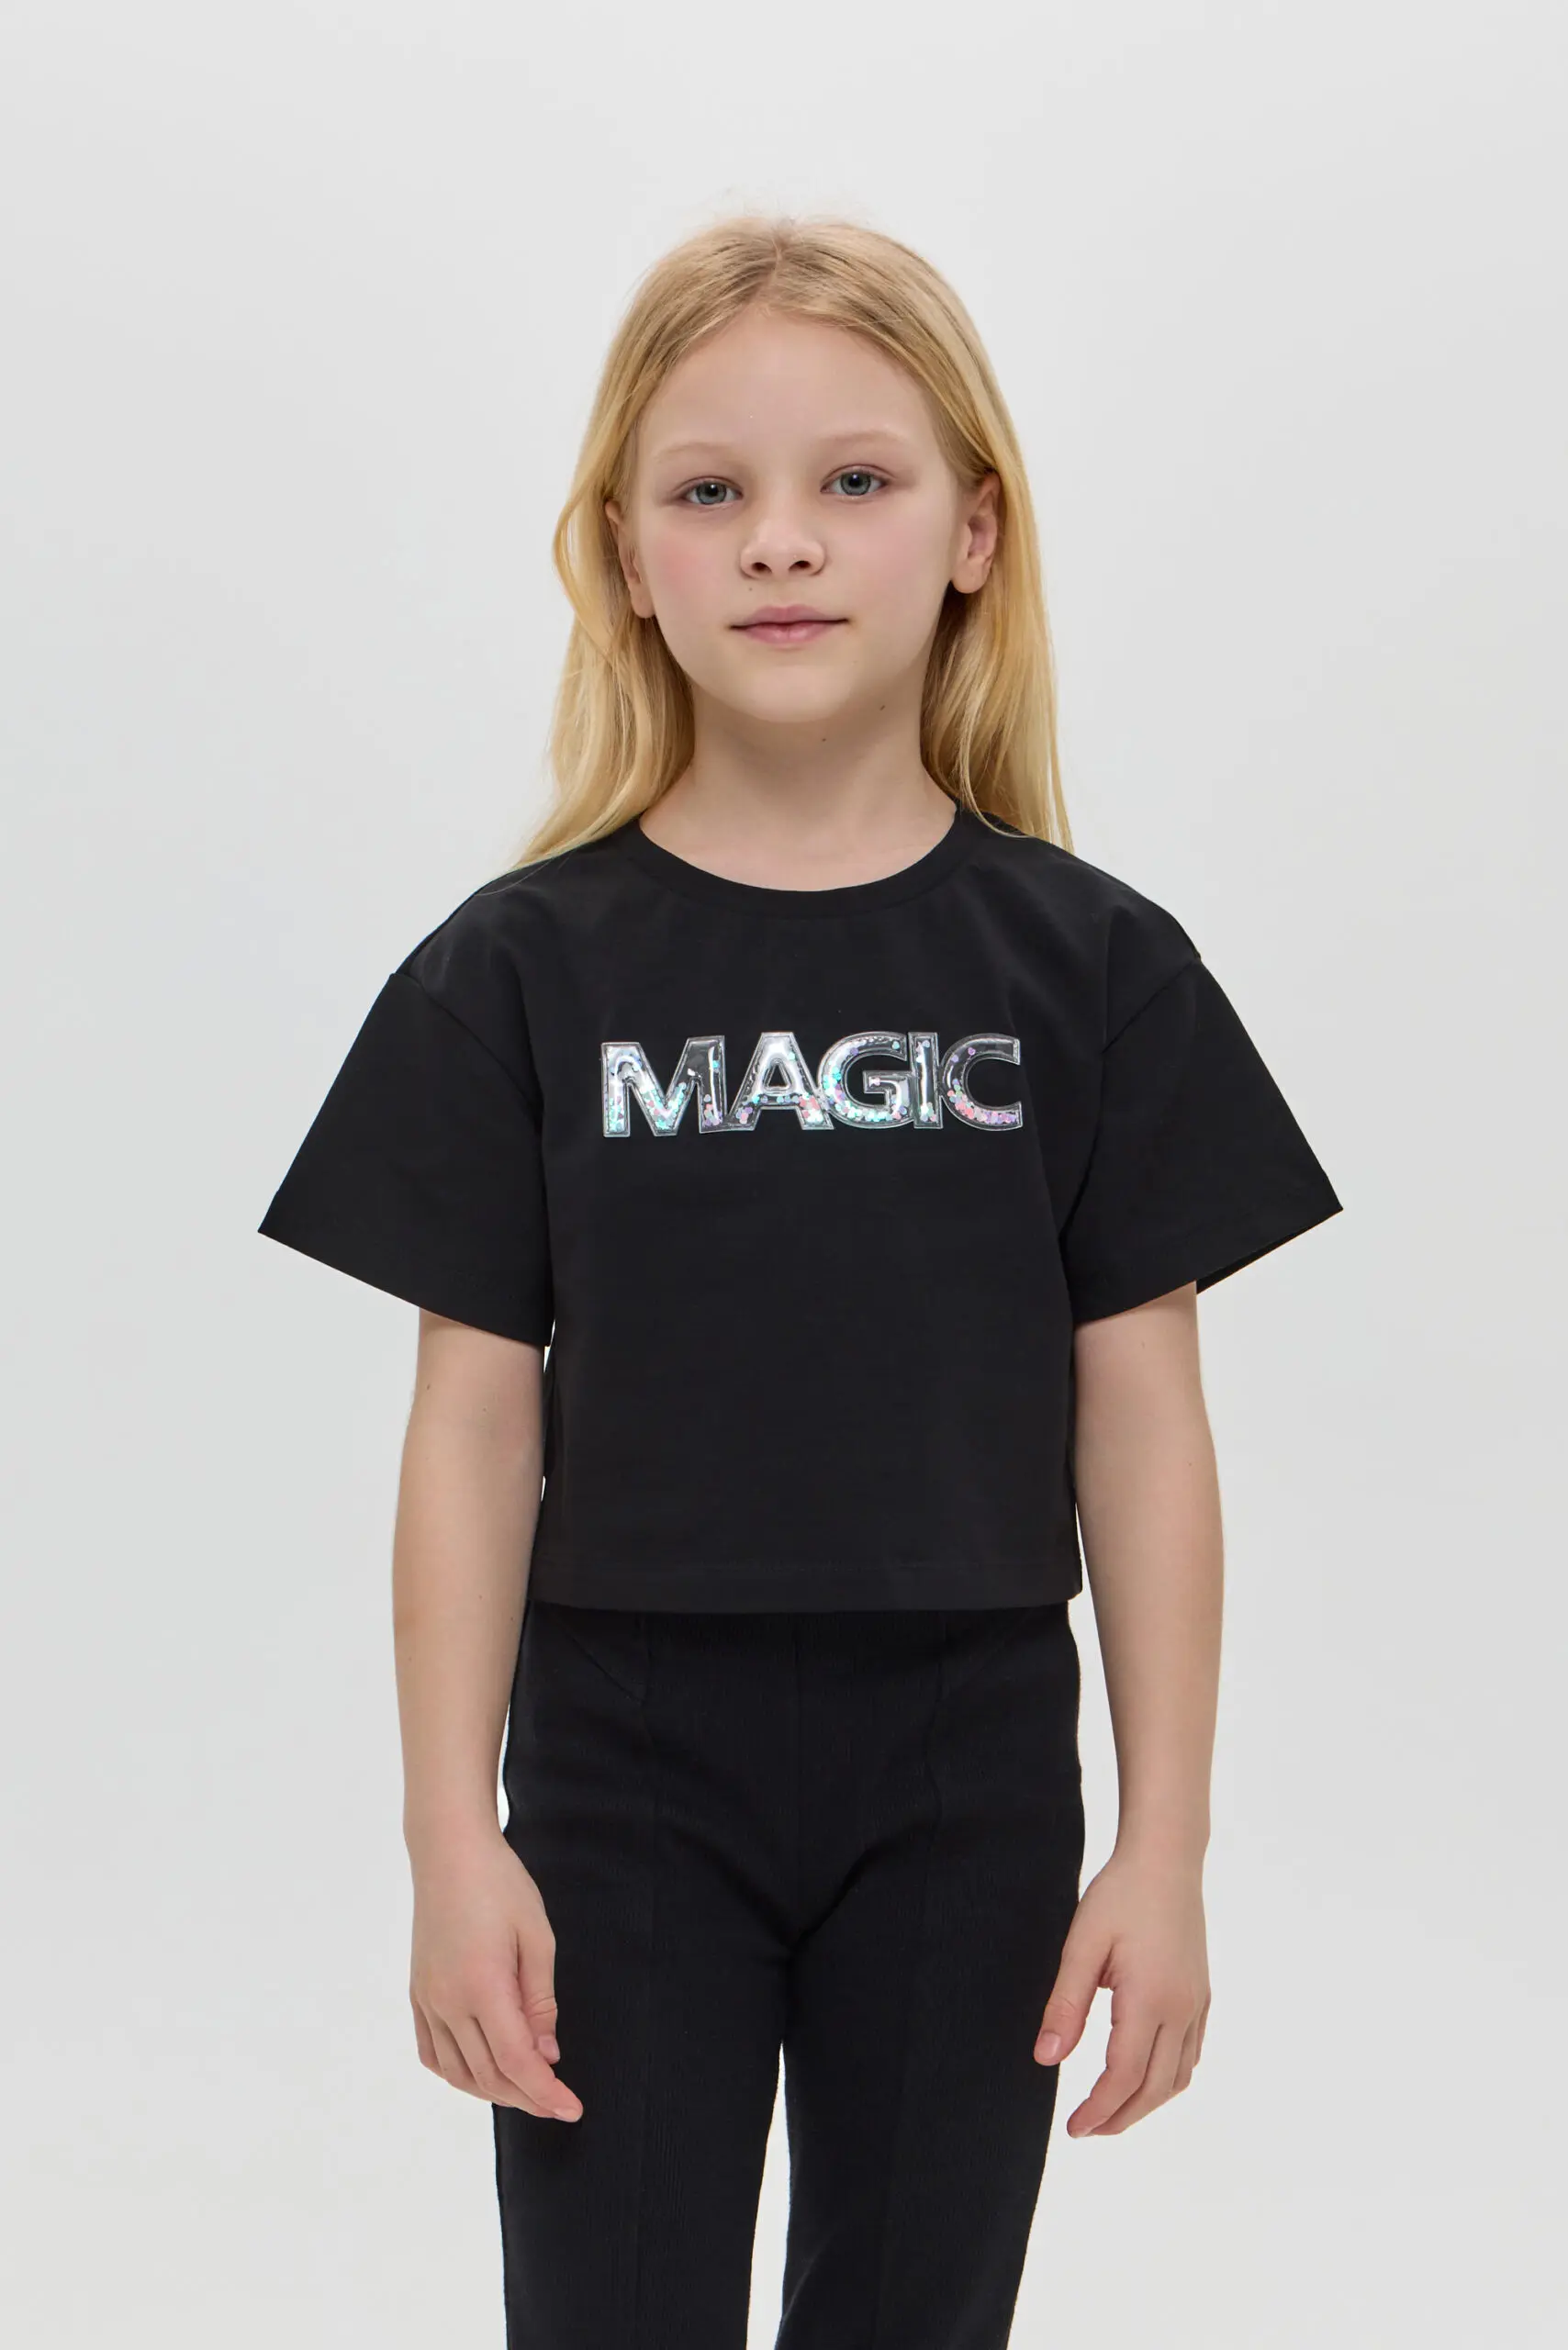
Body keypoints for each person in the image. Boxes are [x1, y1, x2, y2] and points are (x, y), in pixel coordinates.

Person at [257, 213, 1343, 2350]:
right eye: (707, 489)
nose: (779, 539)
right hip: (619, 1773)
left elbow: (1141, 1424)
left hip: (964, 1774)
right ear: (620, 554)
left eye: (853, 478)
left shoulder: (1092, 970)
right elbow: (469, 1424)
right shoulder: (515, 973)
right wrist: (447, 1835)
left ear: (971, 532)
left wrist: (1165, 1844)